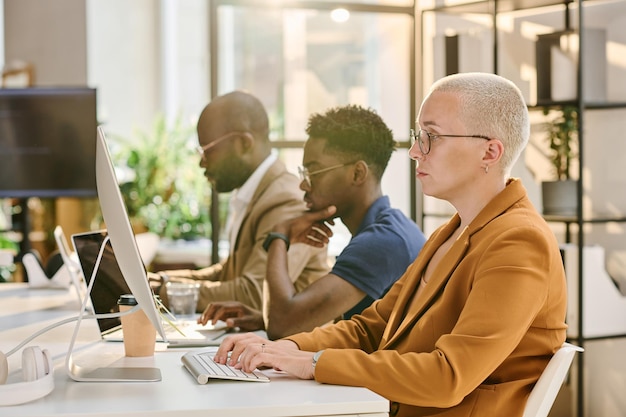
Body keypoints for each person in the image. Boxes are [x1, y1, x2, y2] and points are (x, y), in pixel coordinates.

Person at [213, 73, 568, 417]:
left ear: (489, 152)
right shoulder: (451, 232)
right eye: (418, 135)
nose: (415, 151)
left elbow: (447, 376)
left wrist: (312, 363)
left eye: (432, 136)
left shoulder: (519, 241)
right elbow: (372, 327)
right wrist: (285, 347)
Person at [199, 105, 426, 339]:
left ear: (358, 174)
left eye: (313, 172)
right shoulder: (386, 229)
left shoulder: (383, 241)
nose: (303, 185)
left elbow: (281, 324)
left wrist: (279, 235)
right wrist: (261, 318)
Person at [151, 91, 329, 327]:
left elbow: (254, 294)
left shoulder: (285, 199)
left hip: (289, 348)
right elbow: (228, 272)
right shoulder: (256, 193)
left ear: (244, 143)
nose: (202, 162)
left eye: (207, 149)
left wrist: (162, 291)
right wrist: (161, 280)